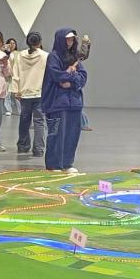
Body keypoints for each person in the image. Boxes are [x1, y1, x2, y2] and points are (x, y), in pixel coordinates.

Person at [42, 28, 87, 175]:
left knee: (72, 135)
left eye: (72, 39)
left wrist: (72, 81)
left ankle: (67, 163)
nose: (70, 41)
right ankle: (53, 164)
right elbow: (57, 76)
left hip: (75, 103)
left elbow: (83, 76)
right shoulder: (53, 57)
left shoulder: (75, 57)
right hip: (57, 103)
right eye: (67, 39)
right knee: (56, 135)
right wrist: (69, 74)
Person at [11, 31, 47, 157]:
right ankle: (38, 149)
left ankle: (23, 146)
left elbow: (15, 73)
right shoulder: (45, 56)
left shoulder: (20, 55)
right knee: (39, 122)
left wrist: (16, 90)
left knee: (24, 120)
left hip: (24, 93)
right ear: (40, 42)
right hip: (40, 93)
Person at [3, 37, 19, 116]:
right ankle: (8, 109)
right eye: (10, 43)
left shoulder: (18, 53)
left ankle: (20, 110)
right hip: (7, 75)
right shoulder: (5, 54)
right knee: (7, 94)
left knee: (17, 93)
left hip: (16, 75)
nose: (12, 45)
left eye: (13, 43)